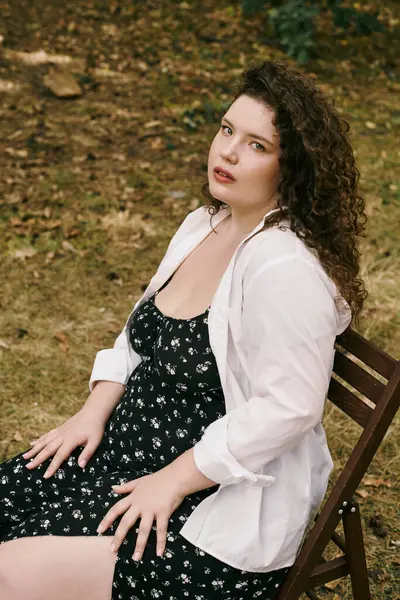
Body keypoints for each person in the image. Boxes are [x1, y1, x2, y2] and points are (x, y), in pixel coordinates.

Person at [0, 59, 368, 600]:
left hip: (205, 506)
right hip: (123, 454)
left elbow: (289, 408)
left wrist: (172, 481)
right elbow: (137, 337)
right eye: (226, 130)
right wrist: (92, 410)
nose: (228, 152)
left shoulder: (284, 269)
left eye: (257, 145)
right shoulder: (205, 223)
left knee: (9, 569)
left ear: (293, 169)